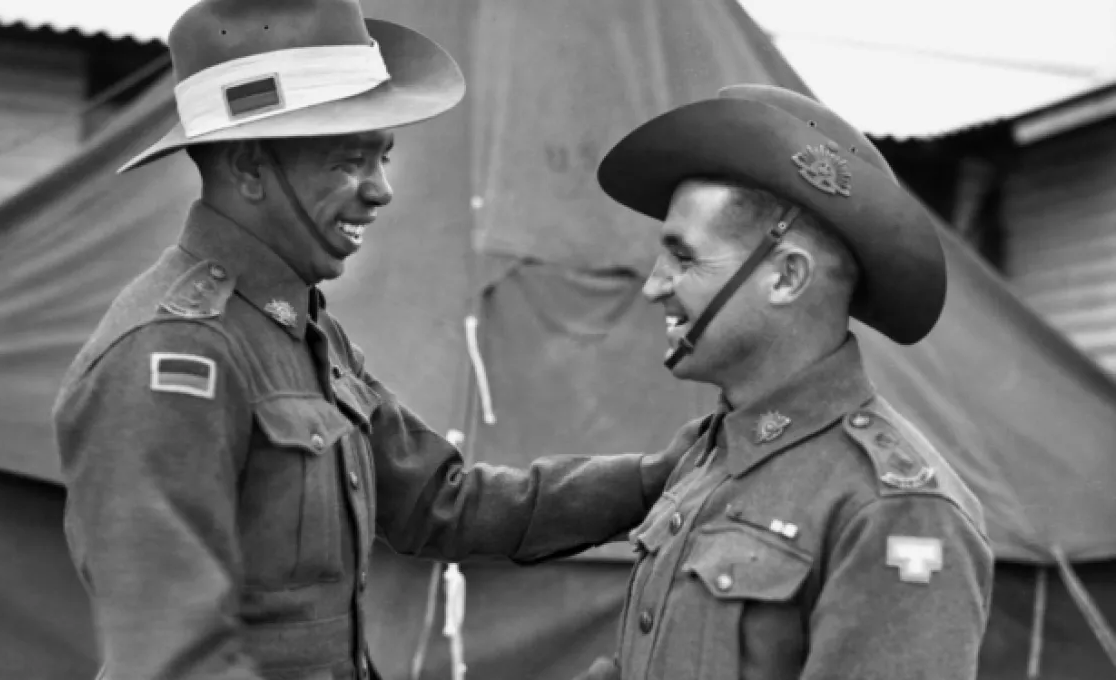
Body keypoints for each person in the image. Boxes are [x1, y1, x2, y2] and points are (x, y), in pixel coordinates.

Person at [51, 2, 702, 679]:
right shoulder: (173, 354)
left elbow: (444, 503)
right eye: (350, 160)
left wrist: (661, 476)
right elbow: (174, 658)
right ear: (248, 166)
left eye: (382, 156)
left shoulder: (299, 326)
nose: (381, 191)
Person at [572, 84, 995, 680]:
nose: (654, 285)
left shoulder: (897, 510)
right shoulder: (710, 455)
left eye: (685, 258)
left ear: (787, 277)